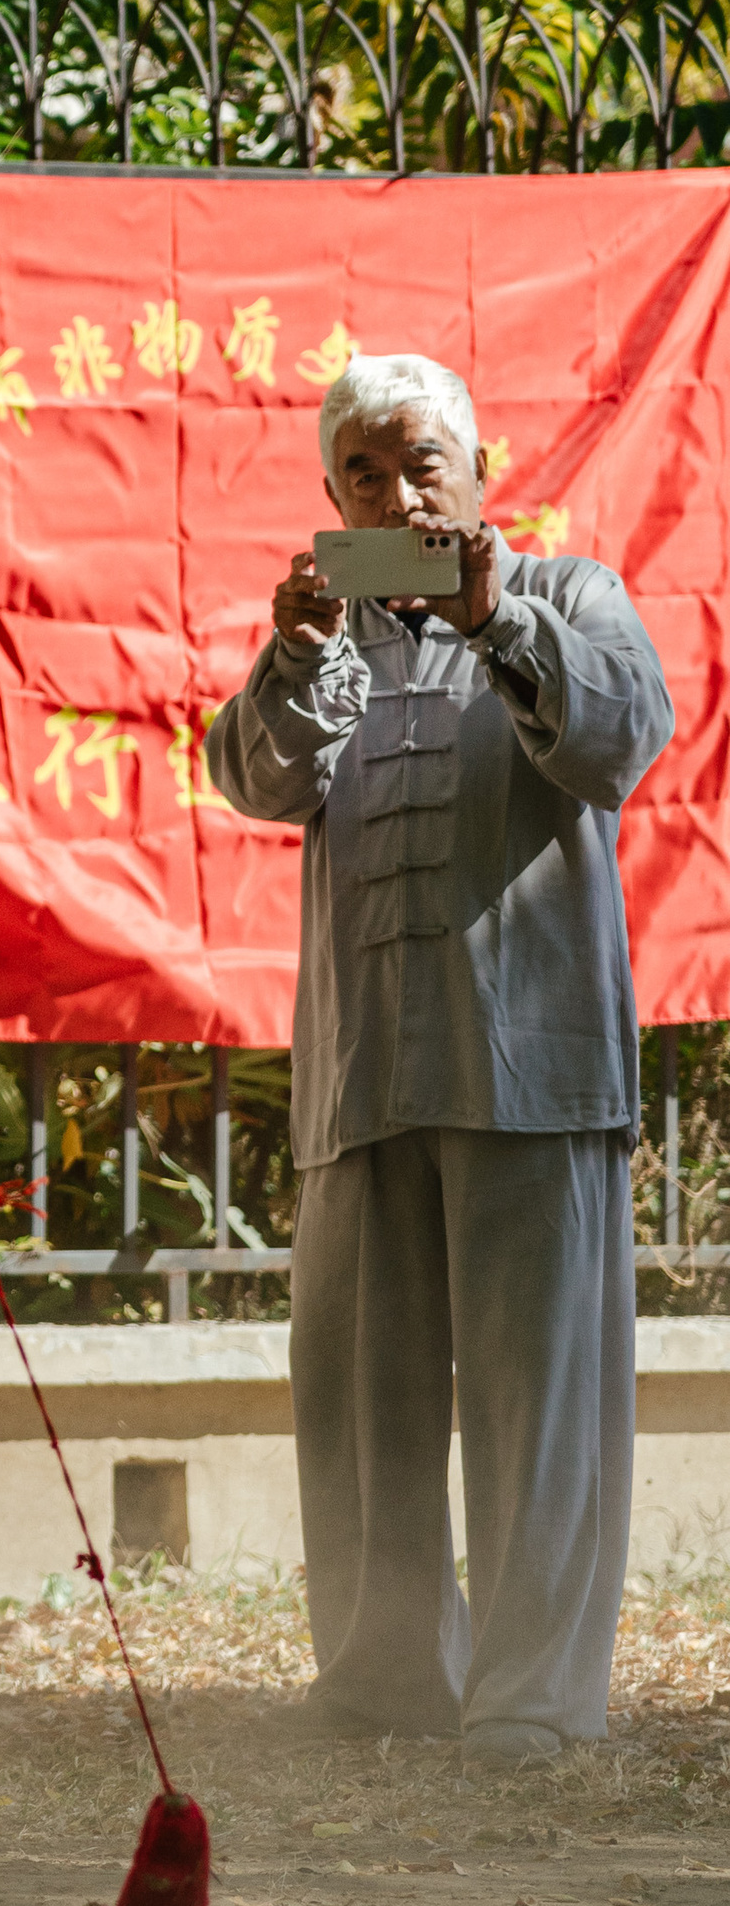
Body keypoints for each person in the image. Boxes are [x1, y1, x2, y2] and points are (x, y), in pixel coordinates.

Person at [207, 353, 673, 1770]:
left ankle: (530, 1702)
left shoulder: (571, 596)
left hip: (528, 1073)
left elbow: (622, 733)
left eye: (422, 467)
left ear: (480, 476)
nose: (398, 494)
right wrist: (292, 655)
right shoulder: (331, 641)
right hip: (367, 1079)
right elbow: (249, 775)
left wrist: (496, 622)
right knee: (364, 1399)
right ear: (331, 496)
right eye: (364, 473)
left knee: (538, 1405)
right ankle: (380, 1681)